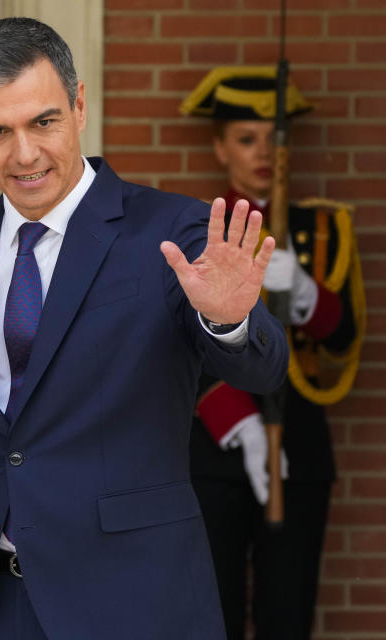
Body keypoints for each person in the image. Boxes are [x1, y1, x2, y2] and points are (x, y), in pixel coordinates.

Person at [0, 18, 289, 640]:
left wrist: (227, 319)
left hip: (135, 604)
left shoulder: (172, 231)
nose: (24, 154)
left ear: (79, 105)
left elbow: (262, 369)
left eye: (44, 122)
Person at [180, 67, 363, 640]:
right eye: (244, 138)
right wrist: (240, 425)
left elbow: (344, 340)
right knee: (215, 615)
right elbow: (179, 343)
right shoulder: (196, 227)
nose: (261, 153)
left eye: (270, 138)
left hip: (300, 441)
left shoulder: (324, 227)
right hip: (216, 443)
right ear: (218, 148)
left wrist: (307, 293)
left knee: (289, 613)